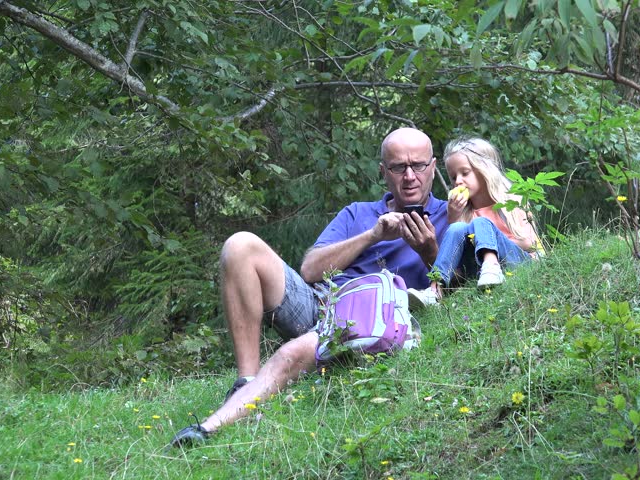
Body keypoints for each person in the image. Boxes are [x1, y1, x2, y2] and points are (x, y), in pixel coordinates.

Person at [170, 127, 449, 447]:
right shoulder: (358, 213)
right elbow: (311, 270)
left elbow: (458, 291)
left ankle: (214, 426)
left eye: (419, 165)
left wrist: (430, 253)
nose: (410, 176)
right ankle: (245, 381)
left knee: (294, 353)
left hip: (375, 319)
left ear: (433, 166)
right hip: (321, 302)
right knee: (240, 245)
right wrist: (372, 235)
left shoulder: (448, 216)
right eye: (399, 167)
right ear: (383, 172)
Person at [406, 137, 544, 310]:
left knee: (481, 223)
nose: (458, 181)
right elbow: (461, 257)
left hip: (520, 262)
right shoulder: (465, 212)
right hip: (479, 272)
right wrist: (454, 217)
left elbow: (530, 243)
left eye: (465, 173)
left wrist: (490, 238)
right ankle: (435, 291)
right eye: (453, 176)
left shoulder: (512, 200)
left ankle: (491, 266)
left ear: (484, 169)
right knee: (457, 228)